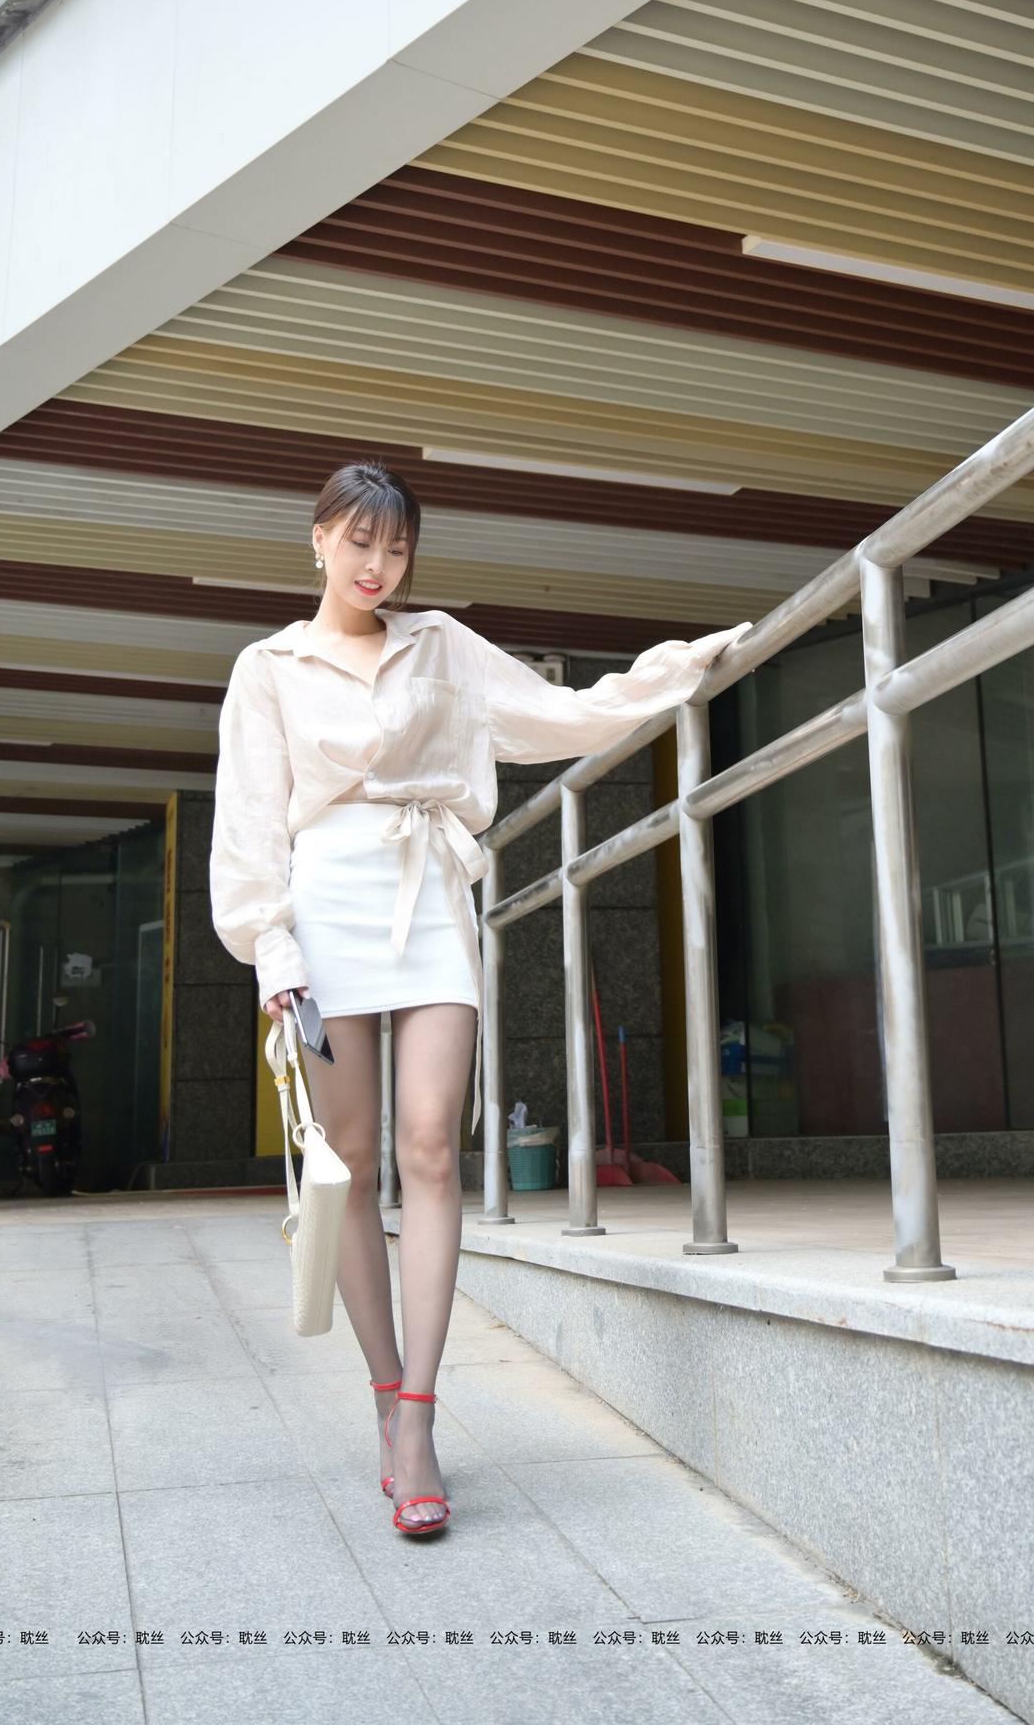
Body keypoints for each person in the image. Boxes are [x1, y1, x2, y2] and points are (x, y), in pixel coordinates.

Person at [209, 459, 749, 1535]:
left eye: (396, 548)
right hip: (324, 913)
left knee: (429, 1147)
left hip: (429, 907)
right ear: (318, 540)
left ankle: (418, 1420)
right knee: (349, 1161)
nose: (377, 565)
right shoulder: (267, 668)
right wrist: (273, 951)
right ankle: (382, 1394)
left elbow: (561, 716)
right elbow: (251, 823)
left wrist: (678, 672)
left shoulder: (443, 645)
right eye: (359, 542)